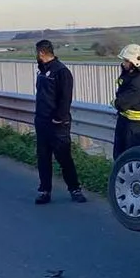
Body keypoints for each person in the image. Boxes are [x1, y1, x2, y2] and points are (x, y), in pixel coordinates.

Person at [33, 39, 86, 204]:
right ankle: (44, 191)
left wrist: (59, 118)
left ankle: (75, 189)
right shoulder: (42, 70)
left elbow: (65, 98)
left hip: (57, 124)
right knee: (43, 158)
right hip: (42, 121)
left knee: (64, 157)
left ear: (41, 53)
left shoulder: (61, 71)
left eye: (37, 53)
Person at [112, 43, 140, 159]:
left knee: (132, 158)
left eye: (126, 61)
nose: (123, 64)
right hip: (125, 121)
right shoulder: (130, 76)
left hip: (135, 127)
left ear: (135, 62)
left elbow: (122, 103)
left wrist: (115, 103)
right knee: (120, 157)